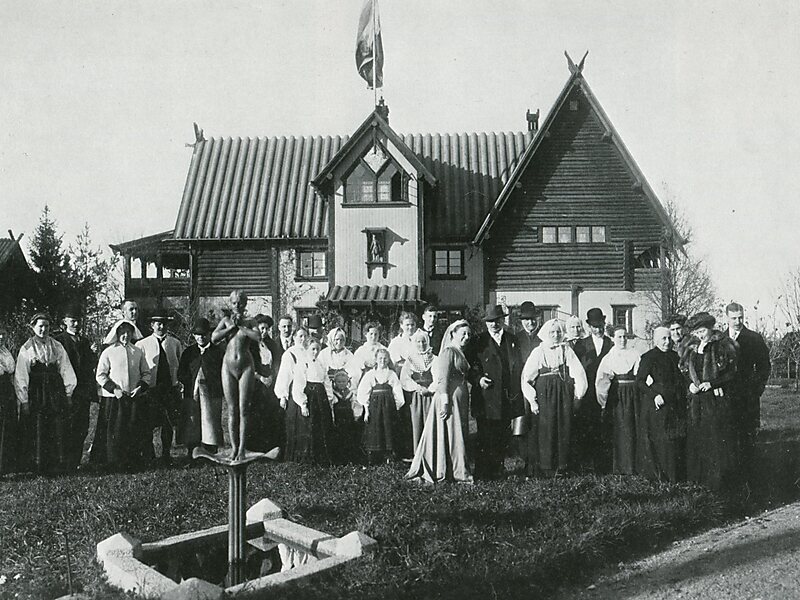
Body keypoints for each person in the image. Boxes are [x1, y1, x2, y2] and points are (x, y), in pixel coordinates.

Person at [406, 320, 473, 484]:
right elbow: (443, 379)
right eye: (463, 334)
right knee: (454, 434)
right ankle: (456, 472)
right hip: (449, 398)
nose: (466, 337)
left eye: (468, 334)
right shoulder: (448, 352)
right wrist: (445, 401)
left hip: (459, 399)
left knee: (456, 433)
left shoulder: (460, 352)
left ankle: (453, 469)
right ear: (453, 334)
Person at [520, 319, 587, 475]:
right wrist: (532, 401)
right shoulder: (538, 351)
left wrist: (578, 394)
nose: (555, 335)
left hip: (564, 392)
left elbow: (579, 373)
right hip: (544, 393)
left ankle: (562, 466)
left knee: (564, 425)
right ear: (546, 333)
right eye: (552, 332)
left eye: (558, 332)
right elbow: (526, 378)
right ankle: (546, 466)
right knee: (546, 427)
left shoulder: (566, 350)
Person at [14, 313, 77, 474]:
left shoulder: (57, 346)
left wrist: (68, 393)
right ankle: (37, 464)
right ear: (33, 327)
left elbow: (65, 368)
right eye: (40, 326)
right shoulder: (27, 348)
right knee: (38, 424)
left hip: (55, 391)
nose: (44, 329)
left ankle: (56, 463)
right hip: (37, 391)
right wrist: (24, 400)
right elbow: (21, 375)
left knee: (57, 423)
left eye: (47, 326)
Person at [683, 311, 739, 491]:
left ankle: (715, 482)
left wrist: (713, 383)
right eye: (697, 332)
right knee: (697, 437)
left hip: (715, 399)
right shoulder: (691, 346)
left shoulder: (722, 345)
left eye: (703, 331)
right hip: (696, 399)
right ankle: (697, 480)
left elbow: (732, 373)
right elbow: (684, 371)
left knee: (714, 438)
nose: (700, 335)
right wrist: (690, 385)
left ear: (710, 328)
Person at [467, 304, 522, 480]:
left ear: (503, 320)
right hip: (485, 396)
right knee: (485, 434)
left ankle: (498, 470)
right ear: (486, 323)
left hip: (505, 396)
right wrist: (478, 379)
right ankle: (483, 472)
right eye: (490, 321)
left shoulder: (512, 340)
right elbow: (469, 366)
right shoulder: (477, 341)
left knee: (502, 435)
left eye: (497, 320)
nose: (494, 324)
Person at [92, 299, 144, 466]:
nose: (125, 335)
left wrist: (140, 387)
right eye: (122, 333)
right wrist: (114, 389)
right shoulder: (108, 352)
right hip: (114, 398)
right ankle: (112, 462)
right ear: (117, 333)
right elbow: (100, 375)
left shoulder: (137, 352)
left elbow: (146, 373)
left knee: (131, 428)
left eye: (128, 332)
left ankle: (131, 461)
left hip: (132, 396)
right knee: (113, 429)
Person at [211, 290, 262, 461]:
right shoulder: (226, 321)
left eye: (240, 302)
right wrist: (231, 327)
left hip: (246, 366)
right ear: (231, 303)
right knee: (232, 409)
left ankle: (242, 449)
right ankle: (233, 447)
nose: (237, 305)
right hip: (228, 367)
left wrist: (241, 327)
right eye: (234, 303)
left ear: (245, 304)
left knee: (244, 409)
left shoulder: (250, 321)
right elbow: (214, 338)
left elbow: (257, 336)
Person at [723, 302, 770, 472]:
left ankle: (749, 474)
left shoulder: (754, 338)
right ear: (726, 318)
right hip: (725, 395)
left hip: (747, 396)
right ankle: (730, 472)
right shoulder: (720, 339)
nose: (738, 321)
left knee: (747, 435)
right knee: (727, 434)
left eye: (740, 317)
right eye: (734, 318)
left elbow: (764, 366)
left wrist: (756, 389)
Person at [635, 326, 686, 482]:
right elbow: (640, 381)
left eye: (669, 338)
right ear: (656, 340)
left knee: (674, 438)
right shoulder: (649, 357)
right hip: (658, 403)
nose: (667, 342)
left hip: (674, 401)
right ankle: (659, 475)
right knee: (661, 439)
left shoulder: (675, 356)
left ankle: (674, 474)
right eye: (664, 338)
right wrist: (654, 395)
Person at [53, 305, 97, 471]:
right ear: (65, 321)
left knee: (82, 426)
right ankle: (64, 462)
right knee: (66, 426)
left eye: (78, 321)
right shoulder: (58, 341)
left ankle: (75, 461)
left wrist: (93, 354)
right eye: (72, 321)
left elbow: (89, 365)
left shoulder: (84, 342)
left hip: (83, 391)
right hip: (66, 390)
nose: (76, 324)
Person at [137, 311, 183, 465]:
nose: (161, 327)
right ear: (152, 325)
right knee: (148, 422)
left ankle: (166, 454)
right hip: (151, 389)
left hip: (169, 389)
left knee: (168, 422)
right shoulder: (142, 344)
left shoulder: (175, 343)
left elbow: (179, 364)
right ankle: (149, 454)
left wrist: (177, 383)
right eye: (158, 324)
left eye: (164, 324)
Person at [595, 326, 641, 474]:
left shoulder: (635, 354)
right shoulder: (609, 357)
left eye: (625, 336)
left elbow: (642, 376)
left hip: (633, 394)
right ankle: (619, 466)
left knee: (632, 427)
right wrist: (603, 402)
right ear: (613, 338)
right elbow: (601, 382)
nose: (622, 340)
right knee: (619, 428)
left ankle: (633, 465)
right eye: (619, 337)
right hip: (617, 395)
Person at [572, 307, 612, 472]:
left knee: (604, 426)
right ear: (589, 326)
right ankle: (585, 463)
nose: (598, 329)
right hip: (587, 391)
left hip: (604, 391)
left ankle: (602, 464)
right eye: (595, 326)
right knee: (586, 425)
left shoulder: (610, 343)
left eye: (601, 325)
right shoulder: (581, 345)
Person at [177, 318, 224, 457]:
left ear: (209, 334)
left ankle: (210, 451)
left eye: (204, 334)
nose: (201, 337)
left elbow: (223, 373)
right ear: (194, 336)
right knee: (192, 420)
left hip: (212, 393)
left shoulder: (217, 352)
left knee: (211, 420)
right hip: (192, 392)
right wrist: (188, 383)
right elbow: (181, 372)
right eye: (197, 334)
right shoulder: (189, 352)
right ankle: (192, 451)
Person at [288, 340, 334, 464]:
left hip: (321, 397)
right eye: (313, 349)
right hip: (310, 397)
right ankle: (307, 457)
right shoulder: (303, 363)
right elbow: (298, 384)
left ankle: (320, 457)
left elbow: (326, 382)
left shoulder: (321, 364)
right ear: (307, 349)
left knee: (321, 425)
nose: (315, 352)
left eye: (318, 349)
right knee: (309, 425)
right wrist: (303, 403)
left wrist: (329, 398)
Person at [357, 348, 404, 464]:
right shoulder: (370, 374)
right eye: (380, 358)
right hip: (375, 406)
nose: (383, 361)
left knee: (388, 429)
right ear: (376, 360)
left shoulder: (392, 374)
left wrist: (396, 407)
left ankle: (388, 455)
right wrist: (366, 410)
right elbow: (363, 392)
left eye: (385, 358)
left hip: (388, 406)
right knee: (375, 428)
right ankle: (373, 455)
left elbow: (397, 391)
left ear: (388, 360)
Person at [318, 327, 357, 464]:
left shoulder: (349, 355)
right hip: (328, 389)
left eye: (342, 340)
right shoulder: (324, 354)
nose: (339, 342)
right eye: (336, 340)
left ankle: (347, 454)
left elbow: (354, 372)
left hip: (343, 389)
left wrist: (345, 383)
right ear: (331, 340)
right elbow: (320, 371)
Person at [513, 301, 541, 477]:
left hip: (541, 387)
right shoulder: (515, 339)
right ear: (521, 321)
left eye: (533, 319)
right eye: (526, 320)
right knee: (522, 426)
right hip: (520, 387)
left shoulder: (544, 338)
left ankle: (538, 462)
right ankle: (526, 462)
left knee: (538, 425)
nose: (530, 323)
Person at [249, 314, 282, 453]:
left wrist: (272, 377)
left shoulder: (272, 344)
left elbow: (277, 363)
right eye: (261, 328)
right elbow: (247, 366)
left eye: (266, 329)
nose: (264, 331)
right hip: (254, 382)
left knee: (269, 412)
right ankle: (254, 447)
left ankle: (269, 446)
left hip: (270, 382)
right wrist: (260, 377)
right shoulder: (250, 345)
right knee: (255, 413)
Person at [274, 327, 309, 459]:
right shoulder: (290, 353)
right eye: (300, 336)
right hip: (294, 390)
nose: (303, 339)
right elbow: (284, 375)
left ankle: (306, 454)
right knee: (295, 422)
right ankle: (294, 455)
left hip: (307, 390)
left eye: (305, 336)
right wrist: (282, 396)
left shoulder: (310, 351)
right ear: (294, 338)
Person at [388, 311, 419, 460]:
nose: (410, 328)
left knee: (415, 413)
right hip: (400, 380)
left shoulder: (419, 339)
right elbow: (393, 362)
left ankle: (416, 449)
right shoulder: (396, 342)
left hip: (416, 379)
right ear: (401, 325)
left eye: (412, 325)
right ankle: (403, 450)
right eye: (407, 325)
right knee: (403, 414)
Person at [400, 330, 436, 452]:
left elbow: (438, 378)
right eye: (418, 342)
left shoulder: (434, 359)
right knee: (416, 423)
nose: (421, 344)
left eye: (424, 342)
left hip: (430, 395)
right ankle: (418, 453)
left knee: (430, 422)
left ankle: (431, 452)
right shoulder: (410, 360)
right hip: (416, 395)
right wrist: (418, 388)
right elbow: (405, 378)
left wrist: (430, 389)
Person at [347, 321, 387, 391]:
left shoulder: (384, 349)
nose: (373, 337)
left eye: (376, 334)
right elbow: (355, 371)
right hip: (364, 381)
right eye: (371, 334)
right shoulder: (361, 351)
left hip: (380, 381)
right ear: (365, 334)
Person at [0, 329, 17, 475]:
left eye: (3, 334)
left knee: (7, 425)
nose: (0, 337)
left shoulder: (5, 351)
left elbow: (11, 370)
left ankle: (5, 464)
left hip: (6, 389)